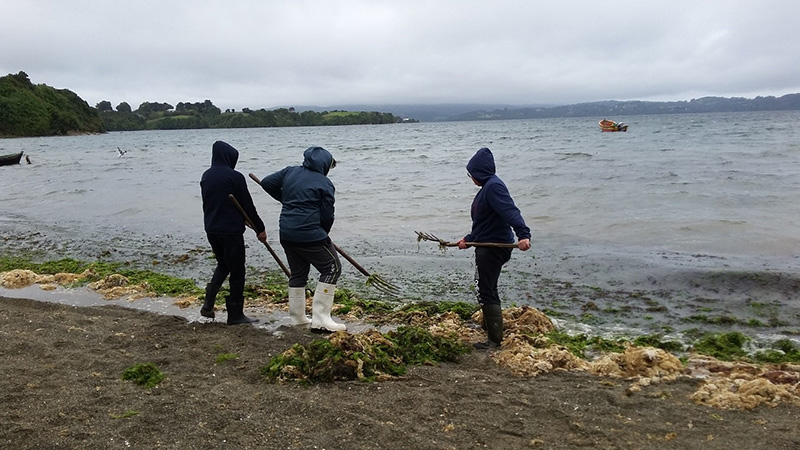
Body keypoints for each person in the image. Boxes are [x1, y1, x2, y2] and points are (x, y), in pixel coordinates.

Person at [256, 146, 345, 333]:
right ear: (324, 165)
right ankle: (321, 319)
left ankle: (298, 318)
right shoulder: (324, 183)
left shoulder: (290, 171)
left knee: (298, 274)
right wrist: (323, 233)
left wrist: (286, 198)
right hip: (310, 234)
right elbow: (328, 215)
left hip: (287, 234)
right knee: (332, 267)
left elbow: (266, 183)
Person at [457, 147, 531, 349]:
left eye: (471, 174)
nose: (471, 178)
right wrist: (468, 239)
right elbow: (485, 223)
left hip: (494, 247)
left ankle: (494, 340)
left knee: (487, 289)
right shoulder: (487, 188)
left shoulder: (494, 187)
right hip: (485, 243)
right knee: (485, 288)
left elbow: (510, 211)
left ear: (479, 172)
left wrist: (523, 234)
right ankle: (492, 332)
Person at [200, 140, 267, 325]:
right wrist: (260, 228)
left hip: (212, 228)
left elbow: (218, 203)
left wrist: (242, 218)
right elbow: (247, 205)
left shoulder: (206, 176)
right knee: (237, 270)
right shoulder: (234, 177)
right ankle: (235, 314)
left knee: (223, 264)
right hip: (230, 231)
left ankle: (208, 304)